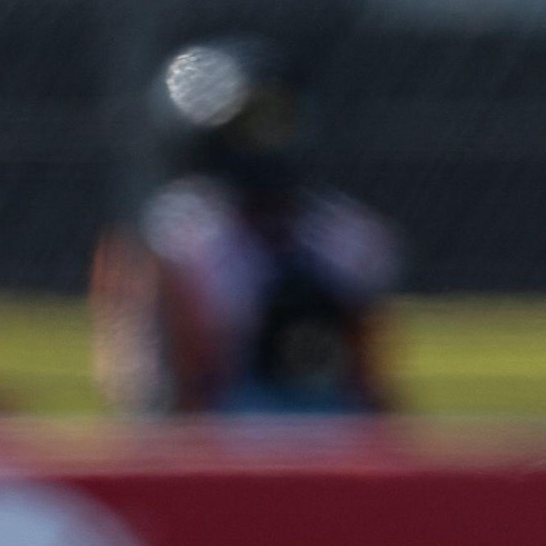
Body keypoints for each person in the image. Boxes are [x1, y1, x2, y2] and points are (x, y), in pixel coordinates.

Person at [90, 39, 399, 417]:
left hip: (331, 436)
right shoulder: (178, 235)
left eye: (278, 120)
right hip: (220, 437)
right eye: (252, 124)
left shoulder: (342, 232)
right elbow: (157, 381)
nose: (268, 139)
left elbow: (368, 378)